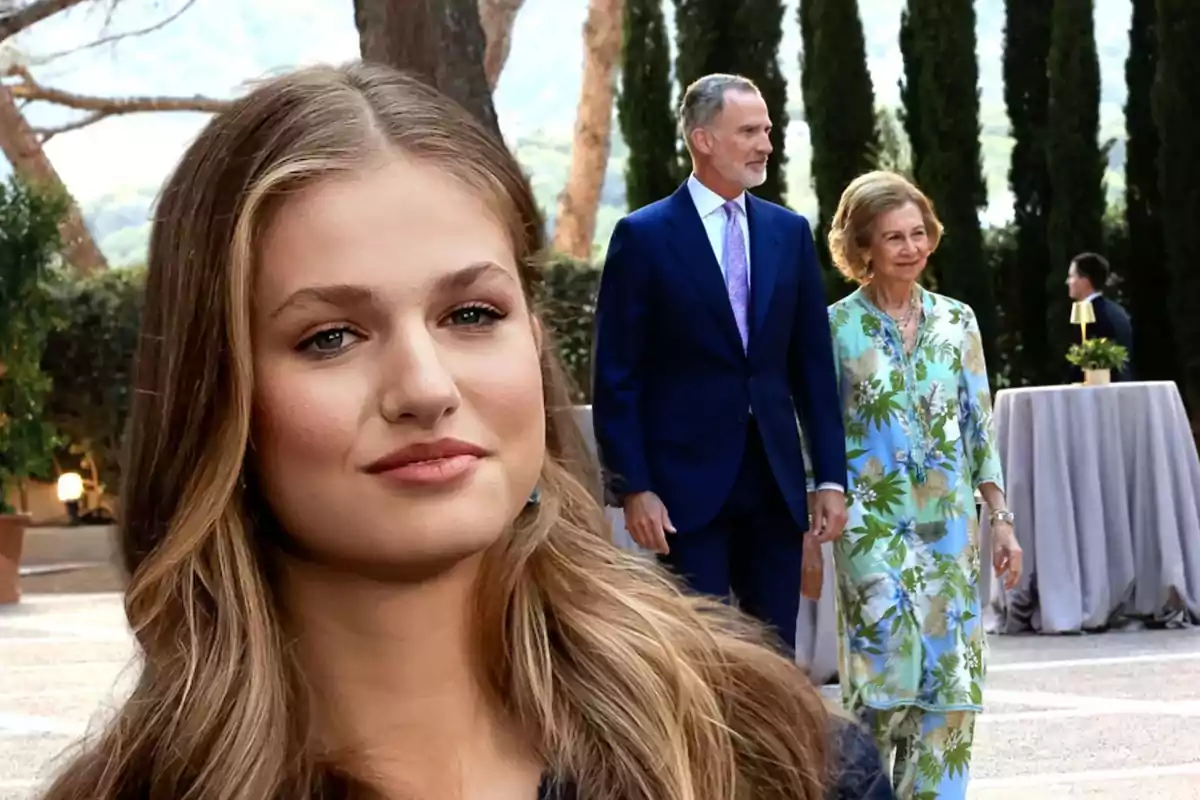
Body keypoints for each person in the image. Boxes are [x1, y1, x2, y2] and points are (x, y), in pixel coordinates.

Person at [37, 63, 888, 800]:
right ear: (215, 391)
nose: (425, 388)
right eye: (328, 336)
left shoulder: (777, 764)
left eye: (471, 313)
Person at [591, 73, 848, 653]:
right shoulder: (643, 237)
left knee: (775, 653)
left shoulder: (789, 233)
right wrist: (635, 488)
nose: (766, 144)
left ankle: (773, 750)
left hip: (776, 485)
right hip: (684, 493)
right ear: (703, 140)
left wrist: (830, 476)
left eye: (767, 130)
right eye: (750, 131)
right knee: (701, 654)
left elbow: (812, 369)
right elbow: (617, 376)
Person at [822, 171, 1024, 799]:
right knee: (881, 678)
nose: (909, 248)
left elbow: (977, 425)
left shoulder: (957, 321)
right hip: (870, 526)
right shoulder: (834, 328)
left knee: (950, 687)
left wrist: (1002, 519)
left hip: (949, 532)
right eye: (892, 238)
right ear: (864, 247)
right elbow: (817, 431)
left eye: (918, 234)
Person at [1065, 251, 1134, 382]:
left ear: (1085, 281)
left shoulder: (1090, 315)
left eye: (1071, 276)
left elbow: (1084, 363)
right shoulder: (1117, 311)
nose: (1068, 282)